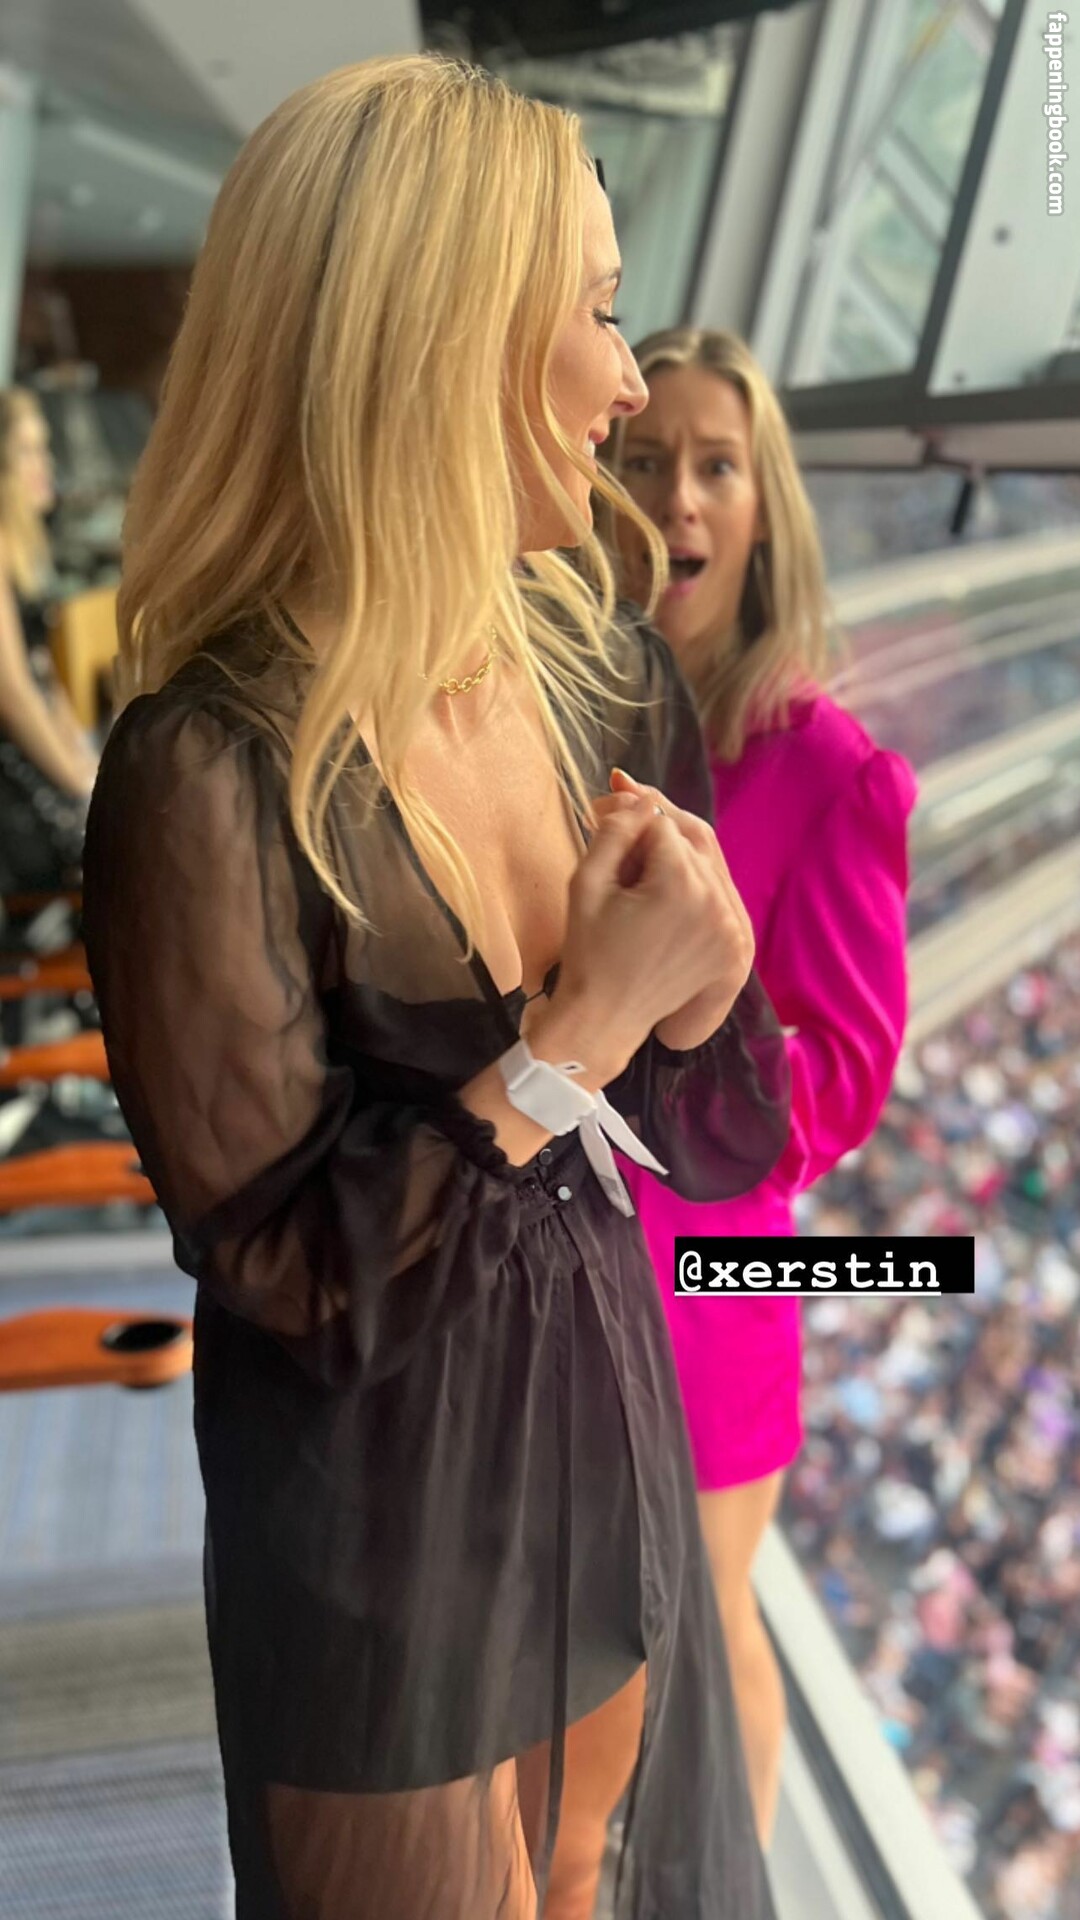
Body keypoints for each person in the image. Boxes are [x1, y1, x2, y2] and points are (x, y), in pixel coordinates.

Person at [81, 61, 791, 1920]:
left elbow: (733, 1142)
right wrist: (580, 1035)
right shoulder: (206, 768)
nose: (627, 382)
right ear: (438, 333)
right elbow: (295, 1275)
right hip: (376, 1530)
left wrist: (703, 992)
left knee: (601, 1880)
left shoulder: (609, 683)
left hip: (598, 1442)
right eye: (599, 309)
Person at [607, 326, 916, 1845]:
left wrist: (677, 1030)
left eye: (717, 466)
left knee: (706, 1624)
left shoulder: (830, 767)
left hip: (709, 1267)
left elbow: (846, 1079)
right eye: (647, 457)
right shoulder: (563, 715)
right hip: (548, 1219)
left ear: (761, 508)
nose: (679, 493)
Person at [0, 388, 97, 893]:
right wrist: (80, 783)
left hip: (33, 769)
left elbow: (43, 681)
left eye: (43, 448)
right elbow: (13, 695)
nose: (46, 464)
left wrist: (85, 763)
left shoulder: (25, 555)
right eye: (27, 450)